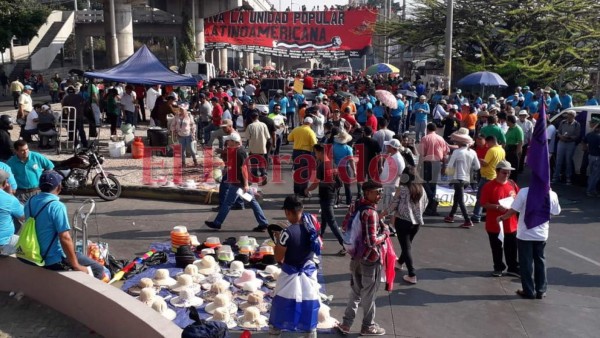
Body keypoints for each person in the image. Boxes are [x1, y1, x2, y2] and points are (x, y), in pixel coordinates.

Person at [24, 170, 103, 279]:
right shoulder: (57, 206)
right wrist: (76, 265)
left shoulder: (30, 201)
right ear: (59, 187)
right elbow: (65, 237)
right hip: (52, 258)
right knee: (98, 269)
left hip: (33, 253)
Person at [337, 180, 388, 336]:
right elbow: (372, 241)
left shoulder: (355, 205)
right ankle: (368, 326)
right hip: (370, 259)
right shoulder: (370, 213)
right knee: (369, 294)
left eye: (380, 191)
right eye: (376, 192)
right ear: (367, 193)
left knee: (355, 292)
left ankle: (346, 324)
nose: (379, 195)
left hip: (356, 258)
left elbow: (345, 226)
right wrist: (384, 234)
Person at [269, 196, 320, 338]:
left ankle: (276, 332)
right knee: (309, 304)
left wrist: (278, 240)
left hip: (290, 273)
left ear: (288, 212)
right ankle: (310, 333)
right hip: (309, 273)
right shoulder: (313, 225)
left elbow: (278, 257)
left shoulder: (287, 232)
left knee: (282, 304)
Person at [497, 187, 561, 299]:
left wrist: (502, 217)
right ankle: (541, 290)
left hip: (525, 233)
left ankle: (528, 290)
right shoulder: (552, 194)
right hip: (541, 234)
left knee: (526, 263)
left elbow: (513, 210)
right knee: (540, 261)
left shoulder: (524, 192)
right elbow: (556, 211)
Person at [204, 133, 269, 232]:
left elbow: (244, 169)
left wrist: (245, 184)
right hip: (240, 183)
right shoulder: (238, 151)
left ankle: (217, 223)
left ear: (235, 142)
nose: (227, 142)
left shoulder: (239, 153)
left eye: (229, 141)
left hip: (238, 184)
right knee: (251, 201)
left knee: (228, 203)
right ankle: (263, 223)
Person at [380, 166, 428, 284]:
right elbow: (426, 202)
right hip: (416, 222)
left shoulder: (402, 189)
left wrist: (382, 215)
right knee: (408, 244)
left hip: (403, 221)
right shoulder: (421, 188)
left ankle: (412, 274)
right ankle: (399, 263)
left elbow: (393, 205)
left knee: (406, 247)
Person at [480, 160, 520, 277]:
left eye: (508, 173)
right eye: (504, 172)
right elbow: (484, 203)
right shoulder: (489, 186)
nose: (506, 175)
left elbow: (518, 199)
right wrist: (497, 207)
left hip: (511, 223)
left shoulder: (512, 184)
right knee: (497, 247)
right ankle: (498, 267)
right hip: (495, 223)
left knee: (512, 247)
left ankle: (512, 267)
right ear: (497, 172)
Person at [305, 144, 346, 256]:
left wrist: (307, 190)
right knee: (324, 219)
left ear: (320, 152)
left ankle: (345, 245)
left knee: (332, 222)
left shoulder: (322, 166)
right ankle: (319, 239)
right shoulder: (333, 164)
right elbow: (339, 183)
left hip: (326, 197)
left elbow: (316, 182)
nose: (315, 155)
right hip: (332, 195)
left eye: (315, 152)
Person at [444, 130, 480, 228]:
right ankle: (451, 216)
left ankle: (467, 220)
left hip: (458, 178)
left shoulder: (457, 152)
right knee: (457, 197)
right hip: (467, 179)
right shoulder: (473, 152)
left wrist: (449, 178)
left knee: (460, 200)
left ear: (459, 143)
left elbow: (450, 166)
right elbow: (477, 166)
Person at [471, 136, 505, 224]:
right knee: (492, 198)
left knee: (481, 197)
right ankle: (488, 215)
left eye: (487, 143)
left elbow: (486, 163)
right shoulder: (502, 150)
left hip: (487, 176)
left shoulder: (491, 150)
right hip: (494, 175)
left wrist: (478, 160)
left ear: (491, 142)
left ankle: (476, 215)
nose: (487, 145)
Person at [420, 123, 449, 216]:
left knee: (425, 183)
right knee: (433, 184)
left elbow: (422, 153)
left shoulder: (425, 138)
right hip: (437, 163)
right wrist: (444, 166)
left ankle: (432, 201)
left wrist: (419, 166)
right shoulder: (441, 139)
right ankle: (432, 206)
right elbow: (445, 154)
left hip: (427, 163)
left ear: (427, 129)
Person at [288, 117, 318, 197]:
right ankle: (303, 191)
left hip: (296, 153)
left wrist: (298, 140)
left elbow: (289, 138)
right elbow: (314, 144)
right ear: (310, 124)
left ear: (304, 122)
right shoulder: (310, 132)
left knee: (297, 172)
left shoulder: (296, 129)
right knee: (305, 174)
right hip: (306, 154)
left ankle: (296, 191)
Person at [553, 109, 580, 184]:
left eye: (570, 115)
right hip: (561, 142)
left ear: (573, 116)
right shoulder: (563, 122)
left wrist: (569, 137)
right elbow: (558, 131)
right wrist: (560, 136)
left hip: (570, 144)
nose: (568, 117)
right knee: (558, 160)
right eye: (568, 115)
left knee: (568, 161)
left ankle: (568, 178)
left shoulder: (577, 124)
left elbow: (577, 135)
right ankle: (556, 177)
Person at [0, 170, 24, 255]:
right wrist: (11, 194)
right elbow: (23, 216)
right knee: (31, 244)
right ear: (5, 182)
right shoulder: (9, 199)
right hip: (3, 243)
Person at [354, 127, 382, 198]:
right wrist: (380, 165)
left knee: (360, 179)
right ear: (372, 133)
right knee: (371, 179)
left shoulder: (359, 141)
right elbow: (379, 155)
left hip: (361, 162)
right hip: (372, 163)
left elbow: (355, 152)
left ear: (364, 133)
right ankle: (370, 193)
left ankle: (360, 193)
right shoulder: (374, 142)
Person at [379, 139, 405, 213]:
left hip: (391, 186)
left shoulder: (398, 159)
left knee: (390, 206)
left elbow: (401, 174)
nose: (386, 147)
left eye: (388, 146)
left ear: (391, 147)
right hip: (387, 185)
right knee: (386, 205)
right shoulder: (392, 156)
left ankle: (388, 221)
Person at [246, 110, 270, 183]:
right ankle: (264, 174)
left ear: (251, 118)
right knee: (261, 163)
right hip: (262, 148)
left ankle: (255, 177)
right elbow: (268, 136)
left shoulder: (250, 126)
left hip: (253, 149)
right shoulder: (263, 125)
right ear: (258, 117)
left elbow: (247, 137)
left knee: (254, 164)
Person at [333, 131, 356, 206]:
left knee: (337, 186)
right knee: (347, 186)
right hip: (346, 167)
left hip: (336, 167)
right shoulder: (348, 148)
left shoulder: (333, 147)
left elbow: (331, 158)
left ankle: (336, 202)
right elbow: (351, 160)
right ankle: (348, 202)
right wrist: (354, 171)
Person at [583, 118, 600, 197]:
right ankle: (590, 191)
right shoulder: (598, 136)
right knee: (595, 175)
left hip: (591, 156)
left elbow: (584, 142)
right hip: (597, 157)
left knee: (591, 174)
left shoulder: (589, 134)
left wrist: (586, 149)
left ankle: (591, 190)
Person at [504, 115, 524, 181]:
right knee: (508, 167)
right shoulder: (510, 128)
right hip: (508, 150)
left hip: (513, 150)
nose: (506, 122)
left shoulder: (518, 129)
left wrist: (517, 154)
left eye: (507, 120)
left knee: (513, 169)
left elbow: (520, 142)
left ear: (510, 121)